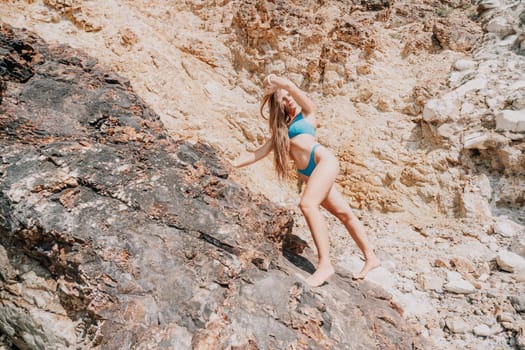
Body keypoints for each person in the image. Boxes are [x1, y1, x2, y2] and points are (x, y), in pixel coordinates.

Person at [232, 74, 380, 287]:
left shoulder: (307, 114)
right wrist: (233, 164)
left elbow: (290, 86)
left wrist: (275, 82)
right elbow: (258, 153)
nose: (289, 99)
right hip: (313, 172)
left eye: (290, 95)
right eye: (283, 98)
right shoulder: (281, 132)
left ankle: (325, 264)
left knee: (307, 204)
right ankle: (371, 257)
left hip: (323, 161)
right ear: (278, 105)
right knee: (344, 214)